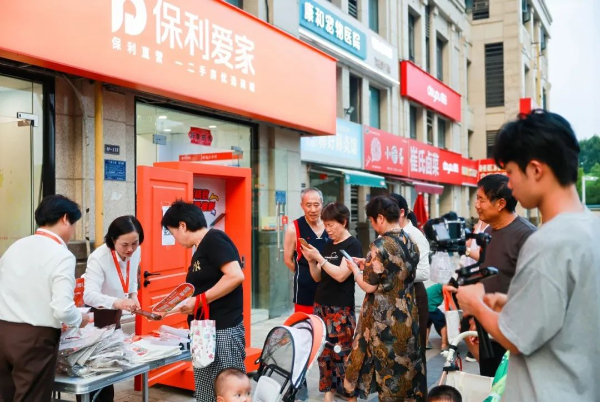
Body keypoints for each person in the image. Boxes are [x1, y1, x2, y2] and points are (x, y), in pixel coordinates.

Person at [456, 110, 600, 400]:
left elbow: (516, 338)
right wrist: (511, 302)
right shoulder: (589, 227)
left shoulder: (547, 241)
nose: (509, 185)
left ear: (535, 169)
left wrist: (475, 305)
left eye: (510, 173)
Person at [0, 194, 89, 402]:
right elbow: (63, 308)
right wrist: (79, 319)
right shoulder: (61, 255)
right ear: (65, 218)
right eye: (74, 224)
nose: (72, 231)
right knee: (32, 397)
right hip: (35, 339)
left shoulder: (16, 246)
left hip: (3, 331)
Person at [162, 200, 245, 402]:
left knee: (229, 391)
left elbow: (235, 276)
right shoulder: (200, 248)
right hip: (204, 333)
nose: (175, 239)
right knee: (206, 393)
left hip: (223, 330)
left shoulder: (214, 239)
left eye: (173, 233)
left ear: (182, 226)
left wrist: (198, 301)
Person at [344, 196, 426, 401]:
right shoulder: (410, 240)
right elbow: (396, 270)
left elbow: (369, 286)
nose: (373, 225)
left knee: (387, 372)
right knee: (407, 368)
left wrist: (355, 270)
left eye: (372, 220)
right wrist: (367, 263)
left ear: (380, 218)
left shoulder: (379, 245)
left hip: (384, 320)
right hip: (408, 314)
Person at [463, 173, 536, 376]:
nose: (476, 205)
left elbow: (534, 293)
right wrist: (477, 318)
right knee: (490, 383)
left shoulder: (527, 236)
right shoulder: (487, 234)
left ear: (501, 204)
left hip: (515, 335)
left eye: (481, 199)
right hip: (488, 328)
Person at [300, 202, 362, 402]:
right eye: (325, 225)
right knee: (324, 354)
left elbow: (341, 275)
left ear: (343, 222)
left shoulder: (353, 245)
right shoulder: (328, 245)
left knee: (343, 354)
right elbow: (318, 277)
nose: (327, 229)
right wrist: (311, 260)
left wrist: (320, 258)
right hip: (321, 306)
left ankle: (350, 396)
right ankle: (328, 395)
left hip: (340, 309)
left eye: (331, 225)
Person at [81, 215, 144, 402]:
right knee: (94, 371)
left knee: (110, 368)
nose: (130, 249)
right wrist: (118, 302)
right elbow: (89, 295)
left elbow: (132, 277)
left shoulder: (136, 252)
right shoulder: (99, 257)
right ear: (112, 240)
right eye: (124, 245)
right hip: (94, 317)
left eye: (135, 243)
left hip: (114, 314)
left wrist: (133, 295)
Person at [390, 194, 430, 362]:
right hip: (392, 297)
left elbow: (424, 272)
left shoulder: (415, 236)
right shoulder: (386, 234)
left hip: (412, 296)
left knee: (413, 354)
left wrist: (393, 273)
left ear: (401, 212)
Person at [283, 188, 329, 314]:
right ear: (302, 205)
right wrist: (303, 273)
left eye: (316, 205)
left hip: (329, 286)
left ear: (322, 204)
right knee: (305, 323)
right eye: (308, 205)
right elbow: (287, 260)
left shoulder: (330, 225)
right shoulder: (294, 228)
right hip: (305, 288)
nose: (313, 210)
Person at [426, 283, 448, 351]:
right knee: (443, 324)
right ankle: (444, 345)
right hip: (431, 307)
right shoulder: (444, 286)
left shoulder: (437, 286)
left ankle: (425, 343)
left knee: (427, 325)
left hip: (423, 306)